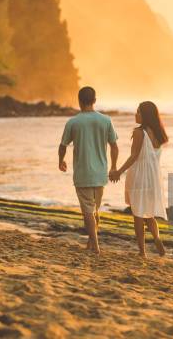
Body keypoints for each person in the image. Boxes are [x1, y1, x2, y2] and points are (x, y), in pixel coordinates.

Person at [58, 87, 118, 255]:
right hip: (100, 174)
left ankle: (96, 247)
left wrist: (61, 161)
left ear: (79, 100)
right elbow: (114, 146)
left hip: (83, 174)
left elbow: (63, 146)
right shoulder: (106, 120)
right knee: (94, 211)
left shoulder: (73, 122)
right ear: (95, 100)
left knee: (88, 212)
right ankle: (91, 243)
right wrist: (113, 166)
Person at [109, 101, 168, 258]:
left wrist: (119, 171)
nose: (136, 115)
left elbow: (134, 156)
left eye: (138, 112)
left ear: (145, 115)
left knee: (138, 214)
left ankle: (142, 251)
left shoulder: (138, 132)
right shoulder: (159, 134)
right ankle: (157, 238)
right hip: (153, 179)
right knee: (149, 214)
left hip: (139, 177)